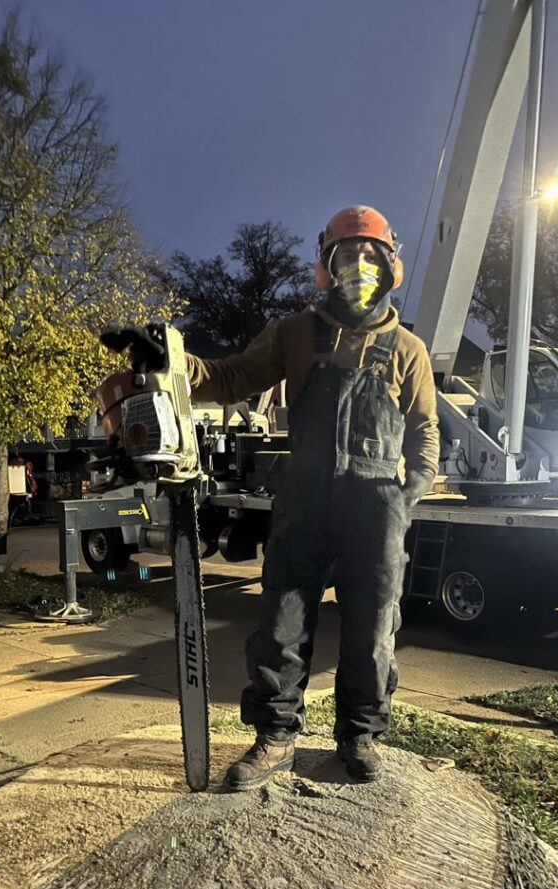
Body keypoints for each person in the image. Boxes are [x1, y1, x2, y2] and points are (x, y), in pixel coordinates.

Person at [185, 205, 440, 787]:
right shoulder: (294, 333)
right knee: (282, 620)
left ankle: (359, 735)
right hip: (305, 498)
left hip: (376, 506)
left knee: (372, 628)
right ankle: (275, 736)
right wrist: (175, 358)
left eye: (369, 255)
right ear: (326, 266)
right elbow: (228, 378)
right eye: (345, 255)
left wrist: (409, 494)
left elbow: (426, 431)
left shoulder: (408, 350)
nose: (358, 265)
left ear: (390, 265)